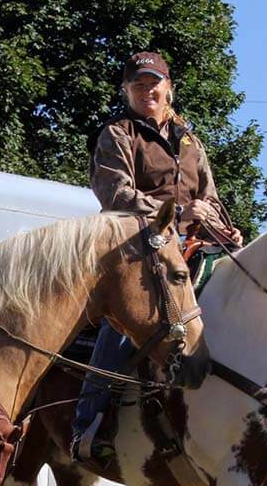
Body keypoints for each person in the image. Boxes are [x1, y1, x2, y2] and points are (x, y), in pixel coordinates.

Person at [72, 51, 242, 463]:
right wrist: (176, 215)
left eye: (154, 83)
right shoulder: (118, 134)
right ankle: (87, 422)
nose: (147, 91)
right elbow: (115, 194)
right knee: (123, 321)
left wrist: (224, 226)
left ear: (170, 88)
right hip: (137, 245)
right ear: (127, 91)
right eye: (138, 85)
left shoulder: (191, 141)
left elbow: (211, 198)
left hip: (193, 246)